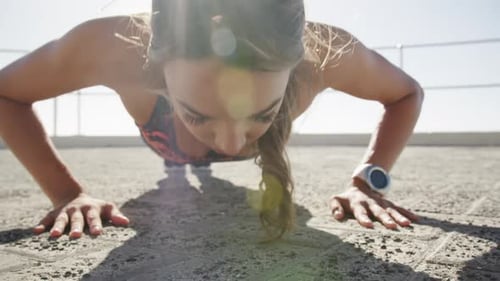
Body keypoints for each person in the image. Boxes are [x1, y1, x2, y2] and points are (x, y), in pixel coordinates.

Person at [0, 0, 423, 240]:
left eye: (262, 115)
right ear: (152, 67)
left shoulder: (326, 54)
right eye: (198, 113)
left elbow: (406, 93)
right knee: (180, 168)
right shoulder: (113, 46)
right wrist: (66, 193)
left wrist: (367, 181)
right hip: (168, 143)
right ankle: (180, 162)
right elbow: (6, 93)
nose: (233, 144)